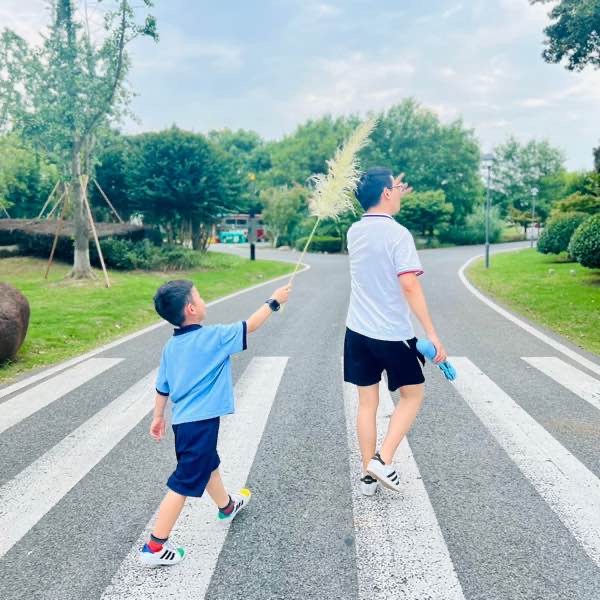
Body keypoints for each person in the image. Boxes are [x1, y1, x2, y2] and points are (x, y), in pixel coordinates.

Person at [139, 279, 291, 566]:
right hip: (200, 424)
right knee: (184, 481)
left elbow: (162, 386)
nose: (203, 300)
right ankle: (155, 546)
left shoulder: (171, 346)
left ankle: (227, 507)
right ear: (191, 308)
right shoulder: (214, 337)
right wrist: (274, 301)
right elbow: (251, 325)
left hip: (185, 424)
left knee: (208, 465)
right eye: (199, 296)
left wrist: (158, 416)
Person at [344, 166, 447, 495]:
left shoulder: (354, 232)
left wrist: (388, 189)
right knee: (412, 395)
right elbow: (409, 285)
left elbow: (378, 209)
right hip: (391, 333)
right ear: (387, 193)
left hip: (357, 332)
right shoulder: (399, 235)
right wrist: (431, 332)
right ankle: (382, 459)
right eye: (393, 189)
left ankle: (367, 476)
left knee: (367, 403)